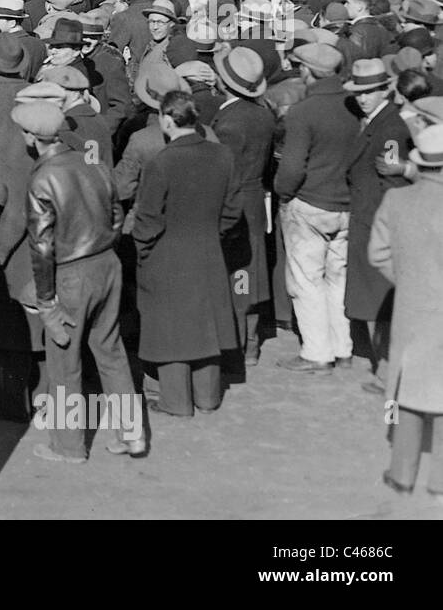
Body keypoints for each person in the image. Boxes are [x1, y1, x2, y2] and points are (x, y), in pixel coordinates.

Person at [12, 100, 143, 458]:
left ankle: (69, 446)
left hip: (70, 274)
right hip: (108, 264)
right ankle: (132, 433)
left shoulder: (41, 178)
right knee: (111, 351)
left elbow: (41, 248)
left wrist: (46, 300)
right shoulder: (92, 162)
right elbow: (116, 213)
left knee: (64, 365)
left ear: (31, 136)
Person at [134, 92, 242, 417]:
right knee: (205, 323)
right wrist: (213, 234)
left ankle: (176, 401)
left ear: (167, 120)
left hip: (166, 254)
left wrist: (143, 248)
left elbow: (148, 218)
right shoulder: (223, 155)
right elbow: (232, 211)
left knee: (170, 328)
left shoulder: (161, 162)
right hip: (209, 251)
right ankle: (208, 397)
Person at [273, 42, 361, 373]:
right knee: (338, 278)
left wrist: (283, 192)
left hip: (309, 203)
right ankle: (344, 348)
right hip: (346, 203)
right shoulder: (354, 107)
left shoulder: (303, 113)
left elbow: (292, 168)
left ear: (307, 72)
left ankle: (315, 353)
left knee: (307, 281)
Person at [369, 123, 443, 500]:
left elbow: (377, 253)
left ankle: (401, 474)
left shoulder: (397, 201)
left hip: (412, 308)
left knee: (405, 391)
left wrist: (410, 280)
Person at [342, 58, 413, 394]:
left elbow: (391, 178)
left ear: (385, 89)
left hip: (375, 221)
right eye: (359, 92)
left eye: (369, 91)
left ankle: (387, 371)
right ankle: (377, 362)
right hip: (367, 216)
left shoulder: (390, 128)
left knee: (385, 299)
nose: (363, 98)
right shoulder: (376, 121)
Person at [209, 46, 277, 367]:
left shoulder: (228, 123)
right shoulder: (263, 114)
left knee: (236, 272)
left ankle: (237, 346)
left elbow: (224, 171)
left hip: (233, 202)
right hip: (255, 199)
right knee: (251, 273)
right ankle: (250, 342)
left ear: (223, 83)